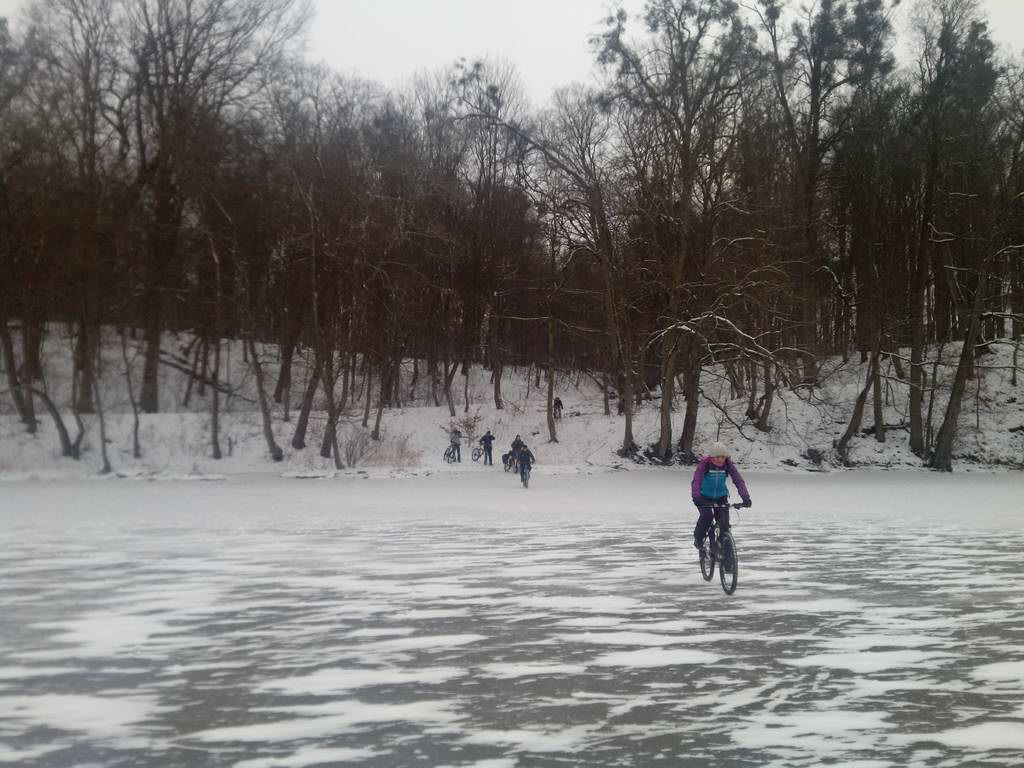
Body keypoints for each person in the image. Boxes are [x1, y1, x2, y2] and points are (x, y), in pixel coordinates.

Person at [691, 441, 751, 566]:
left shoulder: (728, 465)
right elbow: (696, 480)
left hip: (721, 497)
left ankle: (728, 563)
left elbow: (738, 480)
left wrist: (745, 498)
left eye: (723, 457)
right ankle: (698, 538)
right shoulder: (705, 464)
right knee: (707, 516)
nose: (720, 460)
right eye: (717, 457)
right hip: (703, 497)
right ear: (712, 457)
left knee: (724, 526)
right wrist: (696, 497)